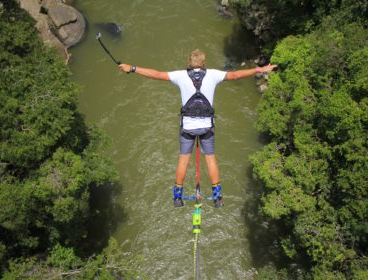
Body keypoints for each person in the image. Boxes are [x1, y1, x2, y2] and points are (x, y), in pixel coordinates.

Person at [118, 49, 277, 208]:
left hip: (187, 127)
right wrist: (259, 69)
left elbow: (157, 74)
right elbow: (235, 75)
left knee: (183, 160)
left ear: (189, 63)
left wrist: (132, 68)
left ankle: (177, 198)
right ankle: (217, 198)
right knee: (210, 158)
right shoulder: (213, 74)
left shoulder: (180, 75)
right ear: (204, 63)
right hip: (206, 127)